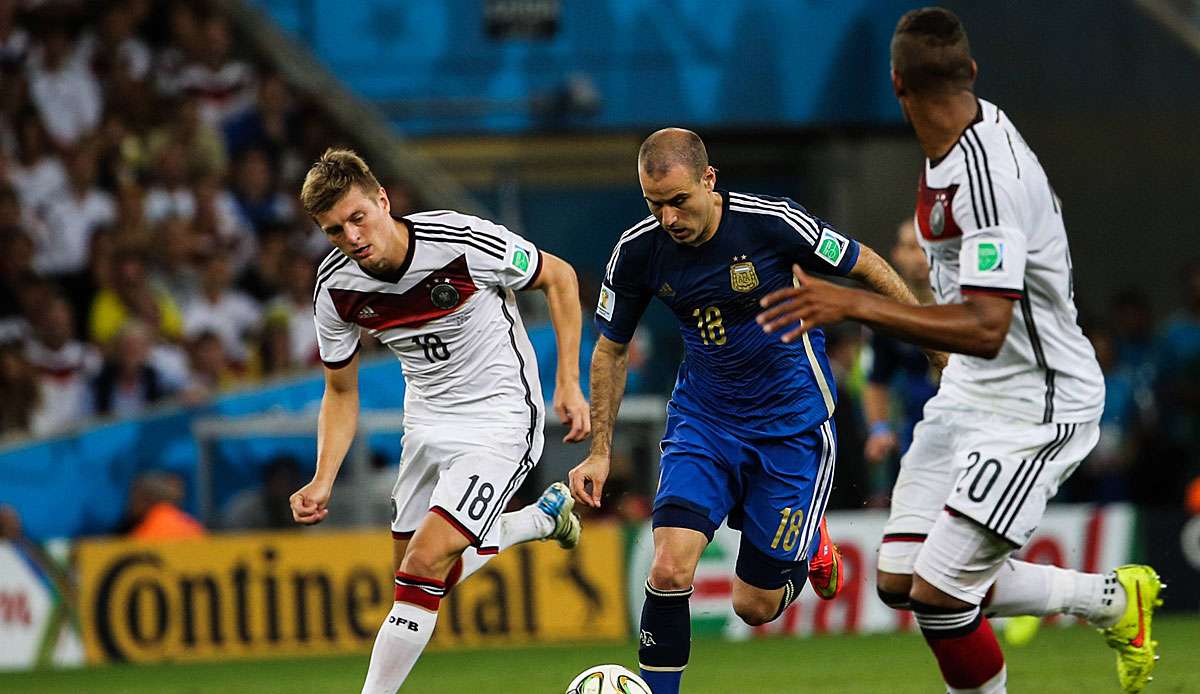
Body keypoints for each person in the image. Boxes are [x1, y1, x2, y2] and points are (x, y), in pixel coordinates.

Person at [757, 9, 1161, 693]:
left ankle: (1111, 605)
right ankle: (1114, 602)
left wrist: (856, 303)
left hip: (1036, 403)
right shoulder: (953, 140)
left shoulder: (986, 178)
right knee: (900, 582)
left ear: (895, 85)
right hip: (974, 390)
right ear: (970, 72)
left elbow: (986, 326)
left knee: (943, 595)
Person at [568, 128, 931, 694]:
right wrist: (599, 452)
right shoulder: (637, 252)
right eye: (653, 204)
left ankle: (811, 542)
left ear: (709, 181)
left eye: (678, 201)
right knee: (667, 570)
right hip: (704, 423)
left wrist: (934, 344)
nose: (667, 217)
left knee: (754, 606)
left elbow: (867, 266)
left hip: (792, 427)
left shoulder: (773, 223)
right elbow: (611, 349)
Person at [288, 148, 591, 692]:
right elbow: (339, 390)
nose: (352, 237)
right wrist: (323, 477)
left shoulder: (461, 242)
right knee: (418, 574)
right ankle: (537, 522)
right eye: (335, 230)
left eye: (358, 218)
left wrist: (568, 380)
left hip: (500, 417)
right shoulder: (335, 289)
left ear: (382, 200)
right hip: (425, 424)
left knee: (425, 562)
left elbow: (561, 278)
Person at [863, 219, 939, 505]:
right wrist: (879, 428)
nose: (919, 257)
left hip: (972, 423)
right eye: (910, 247)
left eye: (925, 247)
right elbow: (877, 378)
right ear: (896, 255)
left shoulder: (964, 298)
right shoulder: (888, 312)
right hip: (916, 431)